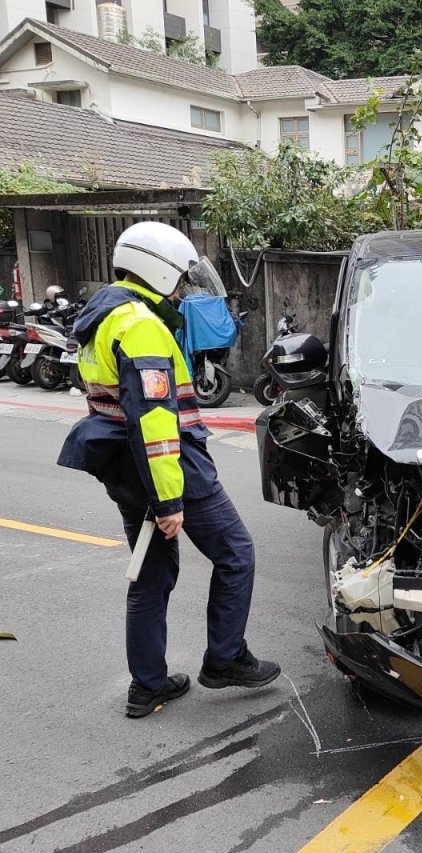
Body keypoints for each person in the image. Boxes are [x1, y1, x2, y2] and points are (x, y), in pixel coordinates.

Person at [57, 222, 280, 718]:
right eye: (179, 278)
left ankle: (149, 685)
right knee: (237, 554)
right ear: (156, 271)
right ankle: (225, 660)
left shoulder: (101, 316)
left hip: (123, 469)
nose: (181, 289)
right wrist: (170, 502)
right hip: (168, 468)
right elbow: (155, 421)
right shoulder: (140, 324)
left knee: (151, 575)